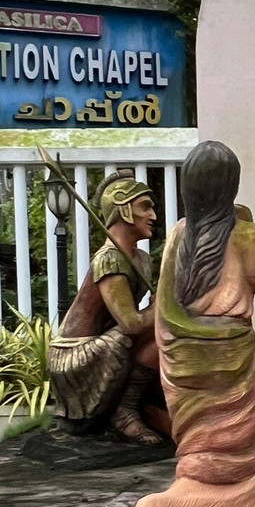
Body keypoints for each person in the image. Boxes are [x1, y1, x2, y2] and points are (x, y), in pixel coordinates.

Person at [116, 141, 255, 507]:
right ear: (232, 186)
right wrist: (248, 226)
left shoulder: (178, 235)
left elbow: (165, 306)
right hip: (230, 363)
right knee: (232, 449)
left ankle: (208, 497)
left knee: (200, 445)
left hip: (185, 365)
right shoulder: (252, 237)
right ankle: (232, 496)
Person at [48, 171, 164, 445]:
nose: (153, 216)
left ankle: (140, 404)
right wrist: (162, 306)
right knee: (159, 329)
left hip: (109, 341)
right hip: (77, 354)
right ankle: (124, 411)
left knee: (167, 332)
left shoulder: (142, 259)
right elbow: (131, 324)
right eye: (145, 207)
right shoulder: (109, 260)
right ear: (123, 209)